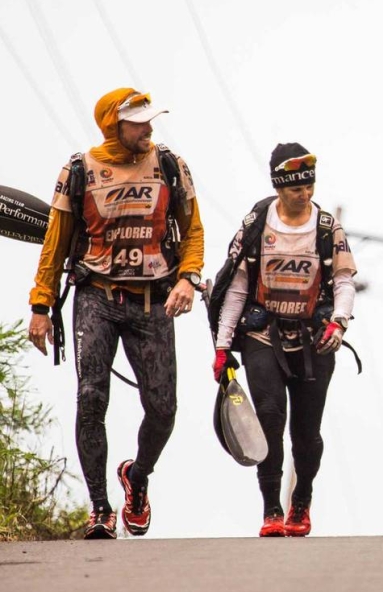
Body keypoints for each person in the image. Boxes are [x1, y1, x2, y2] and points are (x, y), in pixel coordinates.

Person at [27, 88, 205, 539]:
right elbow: (55, 243)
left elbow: (194, 231)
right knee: (91, 398)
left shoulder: (169, 165)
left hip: (154, 299)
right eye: (139, 122)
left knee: (163, 408)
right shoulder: (79, 171)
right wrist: (41, 305)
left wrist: (189, 277)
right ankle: (100, 508)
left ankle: (137, 476)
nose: (148, 129)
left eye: (150, 121)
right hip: (96, 298)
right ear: (113, 125)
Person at [212, 143, 357, 538]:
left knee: (306, 432)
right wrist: (223, 347)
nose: (305, 194)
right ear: (279, 187)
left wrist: (339, 324)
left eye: (310, 185)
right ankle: (272, 509)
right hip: (263, 336)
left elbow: (344, 282)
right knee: (270, 419)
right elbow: (236, 289)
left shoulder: (328, 229)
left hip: (314, 340)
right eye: (296, 188)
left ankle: (302, 501)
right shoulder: (257, 225)